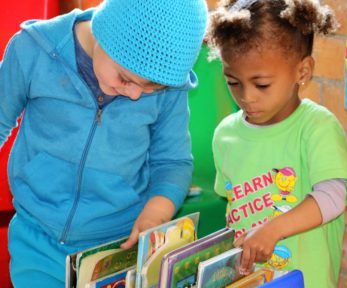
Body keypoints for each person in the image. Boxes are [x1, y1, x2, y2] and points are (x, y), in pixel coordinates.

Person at [0, 0, 207, 286]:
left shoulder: (167, 84)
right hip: (38, 238)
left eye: (150, 89)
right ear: (104, 32)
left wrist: (158, 210)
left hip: (118, 248)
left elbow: (173, 161)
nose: (135, 95)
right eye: (125, 79)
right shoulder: (34, 49)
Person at [207, 0, 347, 287]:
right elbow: (232, 210)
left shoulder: (317, 128)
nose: (247, 97)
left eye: (261, 84)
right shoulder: (225, 134)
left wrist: (273, 229)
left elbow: (332, 198)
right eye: (233, 82)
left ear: (302, 72)